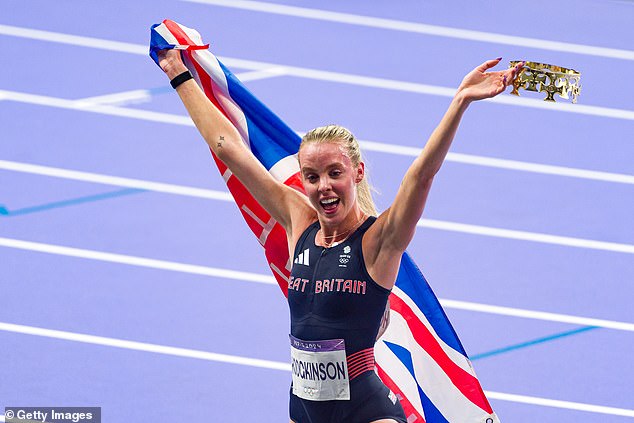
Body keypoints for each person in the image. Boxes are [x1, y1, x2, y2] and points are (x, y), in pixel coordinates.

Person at [156, 48, 523, 423]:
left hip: (366, 410)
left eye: (335, 173)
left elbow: (421, 176)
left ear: (357, 173)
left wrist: (460, 102)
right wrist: (177, 74)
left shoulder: (379, 241)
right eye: (312, 177)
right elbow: (226, 146)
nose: (324, 187)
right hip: (302, 406)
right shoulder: (297, 218)